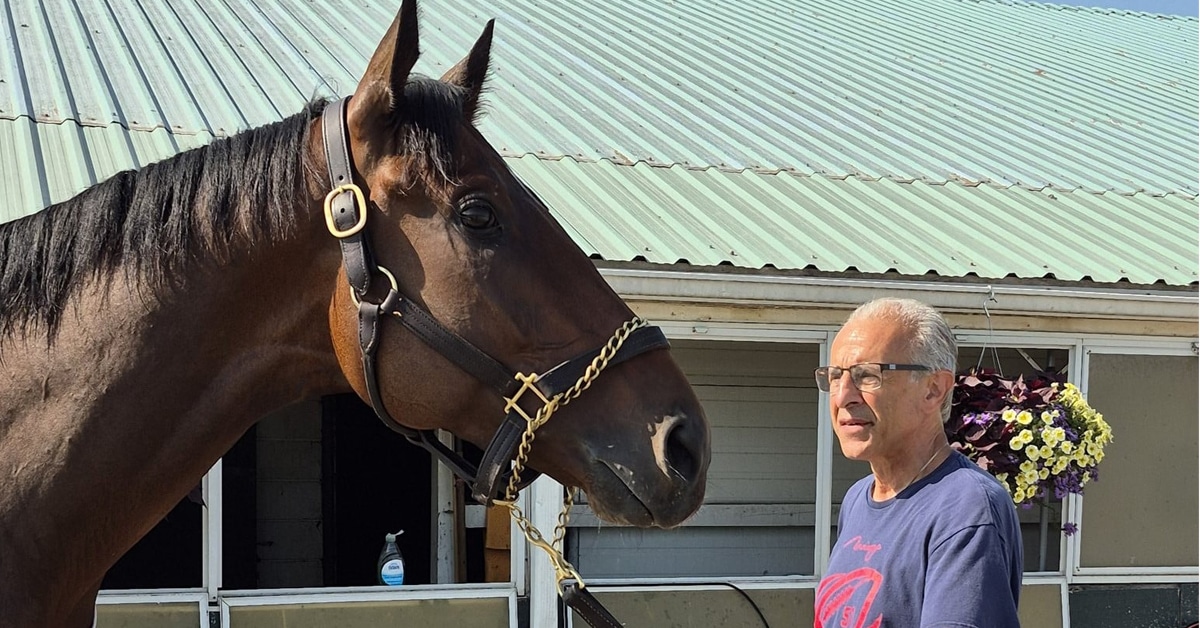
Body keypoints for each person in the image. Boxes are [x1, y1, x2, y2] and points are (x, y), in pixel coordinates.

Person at [814, 298, 1023, 628]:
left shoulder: (966, 509)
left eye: (867, 375)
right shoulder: (857, 500)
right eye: (835, 377)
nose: (842, 397)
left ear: (933, 390)